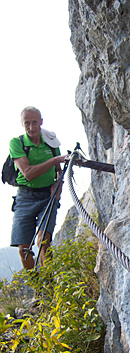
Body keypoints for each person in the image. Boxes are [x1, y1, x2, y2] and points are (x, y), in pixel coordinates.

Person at [9, 106, 67, 270]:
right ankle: (36, 285)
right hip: (24, 197)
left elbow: (58, 171)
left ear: (41, 122)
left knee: (43, 241)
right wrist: (56, 159)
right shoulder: (17, 143)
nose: (31, 127)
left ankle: (48, 285)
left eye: (35, 122)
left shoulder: (51, 141)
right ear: (22, 124)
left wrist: (59, 184)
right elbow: (28, 173)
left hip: (47, 196)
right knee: (23, 249)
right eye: (27, 123)